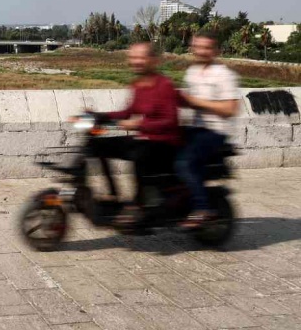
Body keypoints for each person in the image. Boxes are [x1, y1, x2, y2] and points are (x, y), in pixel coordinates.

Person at [91, 42, 181, 219]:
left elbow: (170, 120)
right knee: (97, 144)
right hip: (145, 139)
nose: (136, 61)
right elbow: (127, 112)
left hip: (164, 143)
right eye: (133, 57)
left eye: (141, 57)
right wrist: (100, 116)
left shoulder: (164, 85)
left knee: (140, 154)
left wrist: (140, 125)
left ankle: (138, 204)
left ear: (153, 60)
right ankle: (113, 194)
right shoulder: (137, 85)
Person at [177, 31, 240, 228]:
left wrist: (196, 102)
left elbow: (230, 109)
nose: (201, 51)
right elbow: (187, 101)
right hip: (194, 128)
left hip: (214, 131)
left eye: (206, 47)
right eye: (198, 47)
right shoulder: (192, 72)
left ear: (216, 50)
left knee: (184, 163)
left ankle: (203, 208)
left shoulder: (224, 75)